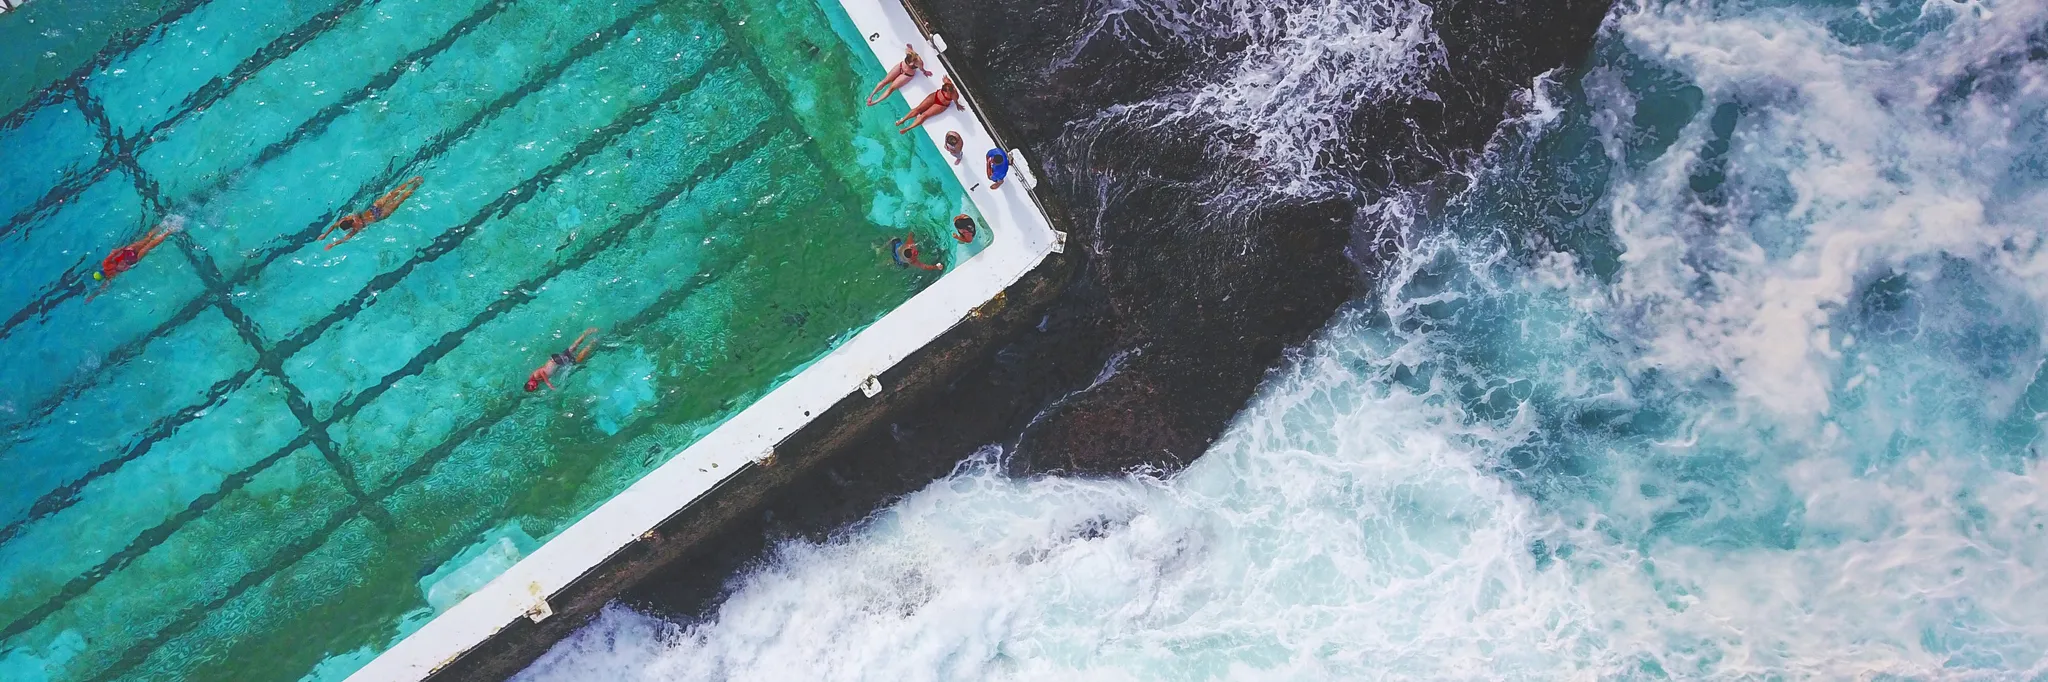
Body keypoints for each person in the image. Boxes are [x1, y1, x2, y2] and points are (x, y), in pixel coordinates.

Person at [88, 216, 184, 301]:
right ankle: (163, 224)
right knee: (148, 238)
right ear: (101, 271)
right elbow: (113, 252)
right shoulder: (105, 264)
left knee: (150, 245)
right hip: (128, 252)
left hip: (132, 260)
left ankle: (170, 230)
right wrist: (123, 248)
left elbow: (103, 288)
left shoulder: (110, 277)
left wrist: (92, 296)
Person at [323, 176, 423, 250]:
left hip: (378, 215)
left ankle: (415, 186)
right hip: (374, 208)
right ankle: (411, 180)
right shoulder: (349, 218)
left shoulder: (356, 228)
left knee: (399, 200)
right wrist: (324, 234)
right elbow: (333, 226)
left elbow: (345, 239)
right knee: (392, 193)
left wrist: (332, 244)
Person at [526, 327, 599, 392]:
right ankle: (588, 331)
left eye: (532, 386)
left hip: (557, 361)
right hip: (555, 361)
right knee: (573, 348)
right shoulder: (535, 379)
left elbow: (542, 371)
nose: (535, 386)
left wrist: (548, 384)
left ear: (529, 382)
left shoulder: (535, 376)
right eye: (534, 388)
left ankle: (592, 343)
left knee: (577, 360)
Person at [865, 44, 931, 106]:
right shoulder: (908, 52)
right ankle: (871, 96)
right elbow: (908, 49)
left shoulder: (919, 62)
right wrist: (910, 48)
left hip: (907, 75)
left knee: (891, 88)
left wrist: (925, 72)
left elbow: (921, 68)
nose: (911, 64)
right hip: (900, 66)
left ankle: (875, 102)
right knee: (884, 81)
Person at [895, 76, 961, 134]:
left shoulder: (954, 95)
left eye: (945, 92)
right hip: (935, 96)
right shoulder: (947, 83)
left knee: (924, 115)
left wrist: (957, 105)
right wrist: (945, 78)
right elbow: (945, 79)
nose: (944, 92)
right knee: (918, 109)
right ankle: (902, 120)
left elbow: (956, 100)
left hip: (941, 104)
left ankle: (907, 129)